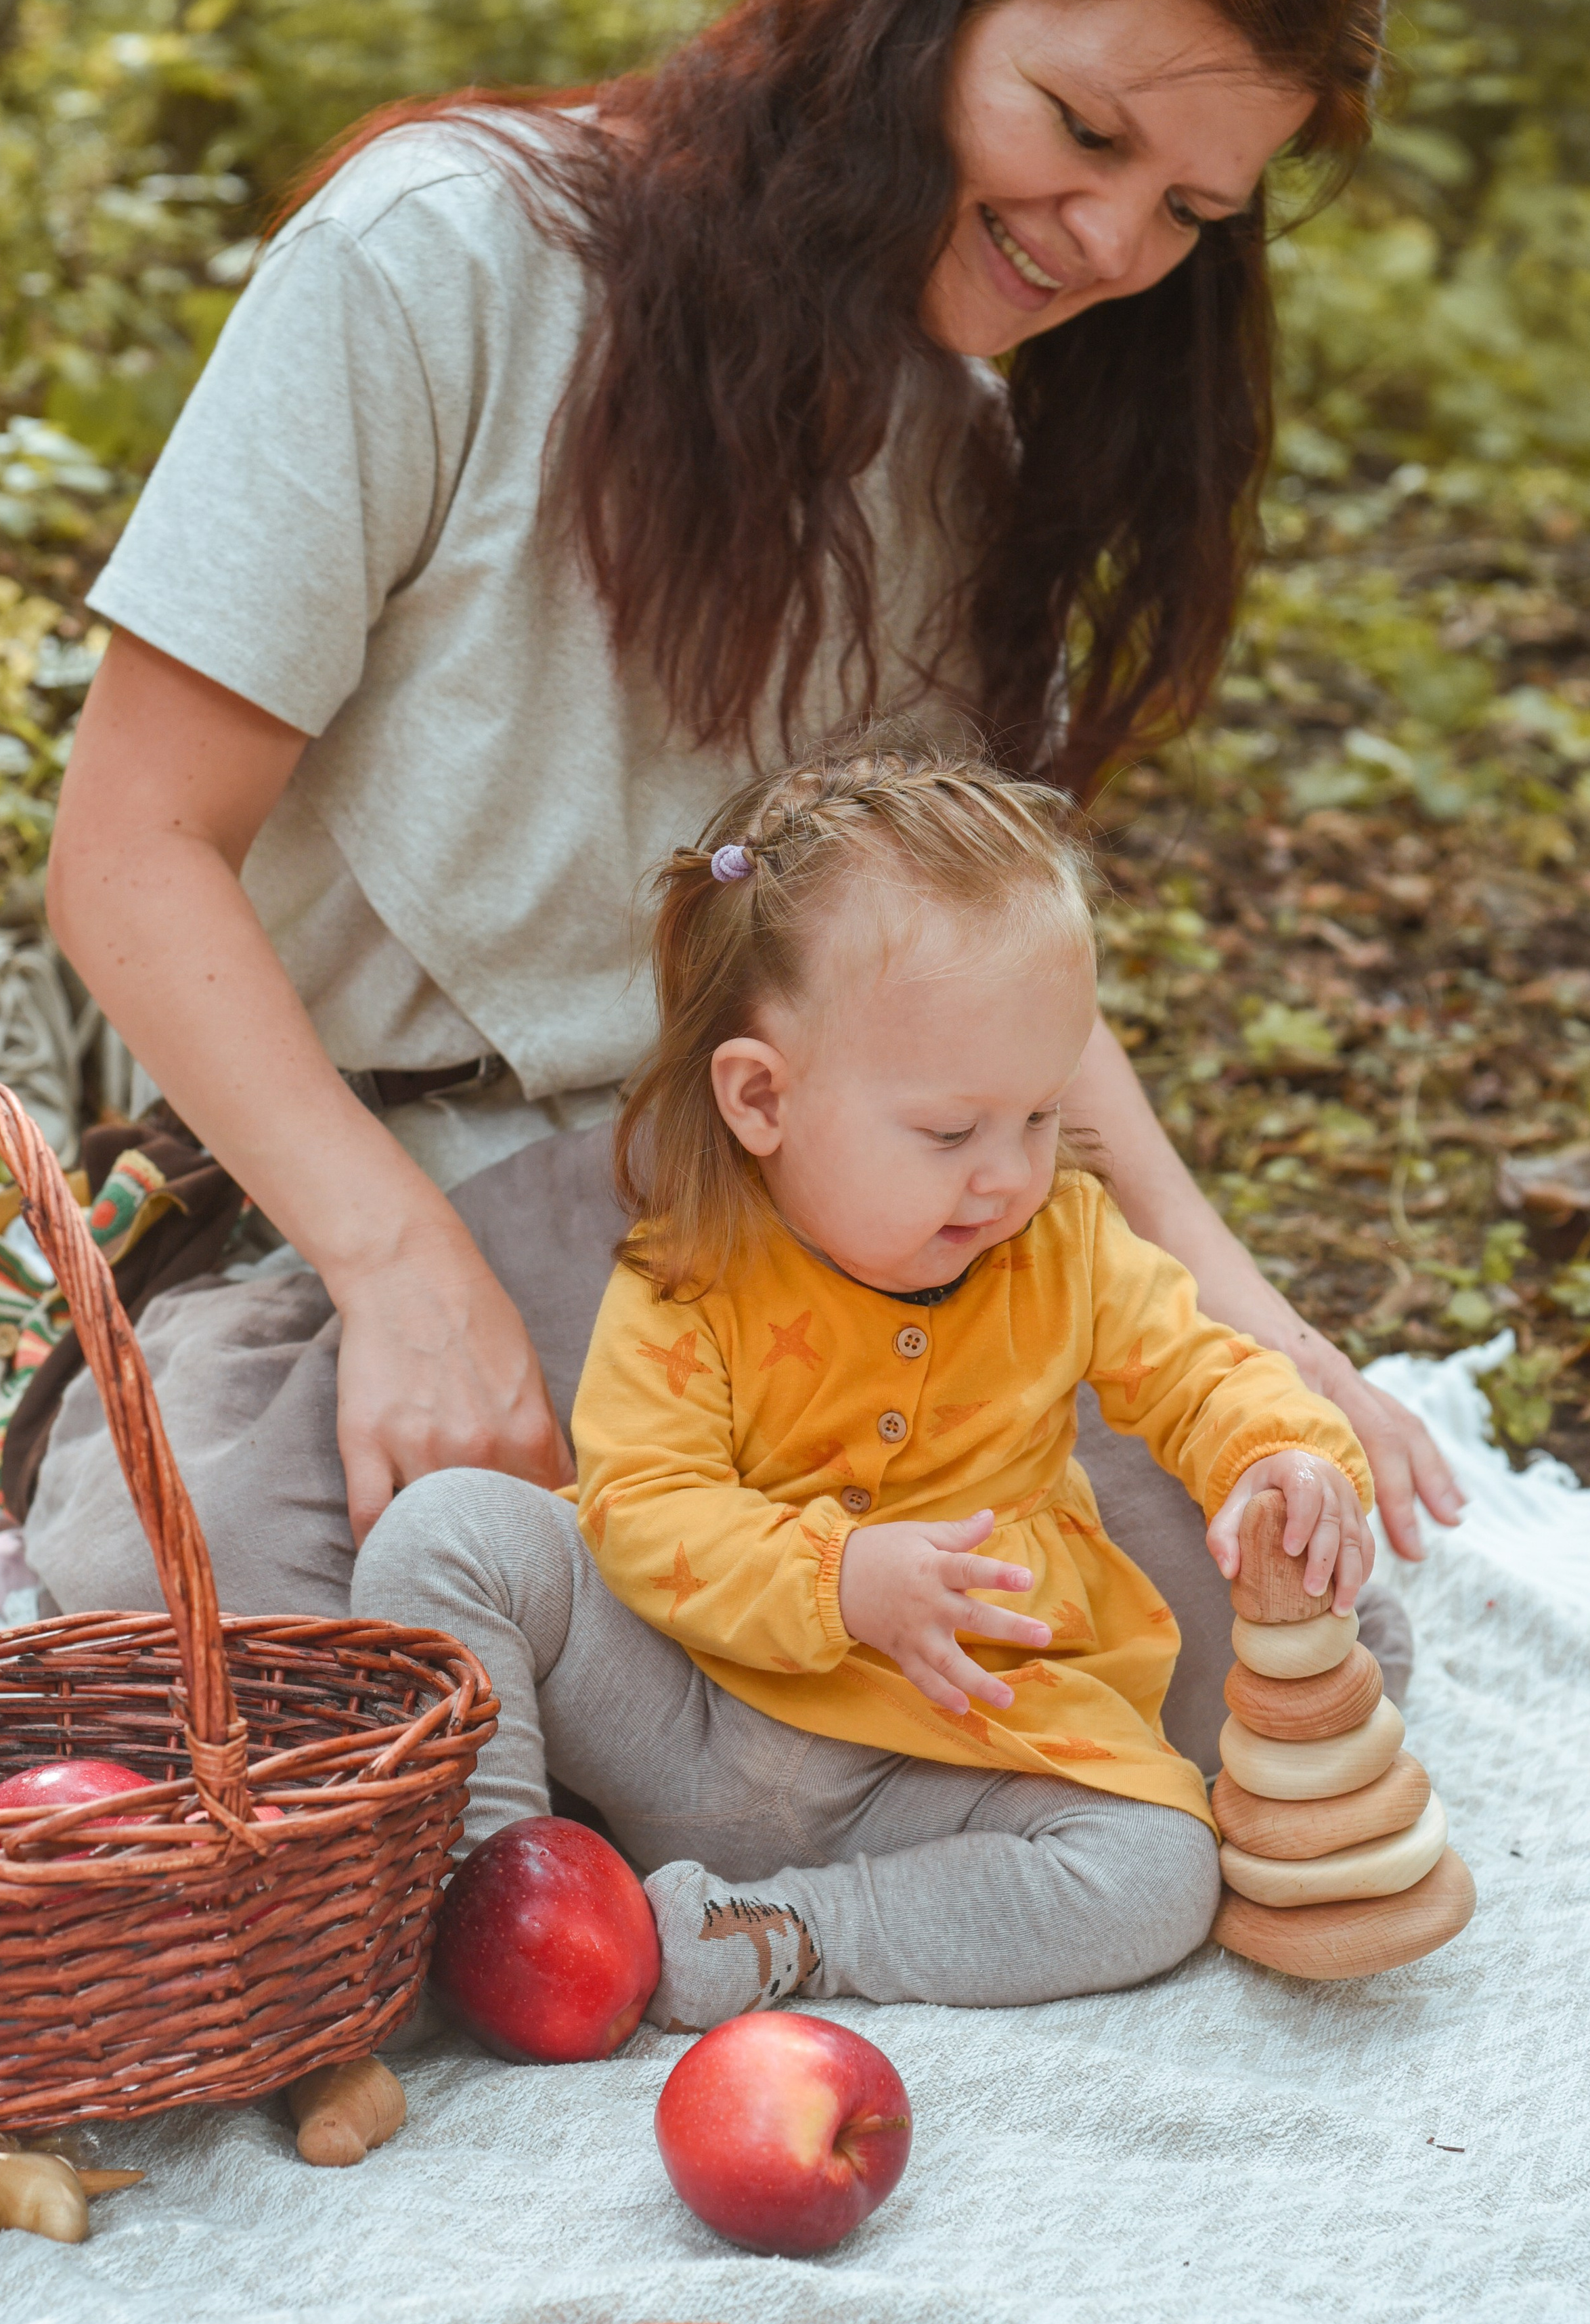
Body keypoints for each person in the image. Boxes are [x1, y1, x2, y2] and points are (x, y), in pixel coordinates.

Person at [31, 0, 1457, 1766]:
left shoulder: (966, 445)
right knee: (248, 1671)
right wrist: (402, 1276)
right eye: (1081, 127)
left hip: (797, 1238)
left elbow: (981, 978)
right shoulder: (438, 256)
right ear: (911, 5)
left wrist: (1247, 1314)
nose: (1115, 242)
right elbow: (130, 853)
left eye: (1193, 205)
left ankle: (693, 1769)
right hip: (362, 1198)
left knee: (1281, 1609)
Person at [355, 743, 1375, 2023]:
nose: (1007, 1174)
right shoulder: (691, 1277)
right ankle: (500, 1898)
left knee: (1161, 1872)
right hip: (689, 1704)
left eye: (1042, 1117)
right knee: (453, 1532)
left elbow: (1199, 1369)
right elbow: (643, 1509)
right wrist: (841, 1580)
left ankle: (778, 1938)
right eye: (951, 1133)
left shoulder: (1063, 1244)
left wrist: (1283, 1457)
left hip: (949, 1746)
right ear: (764, 1099)